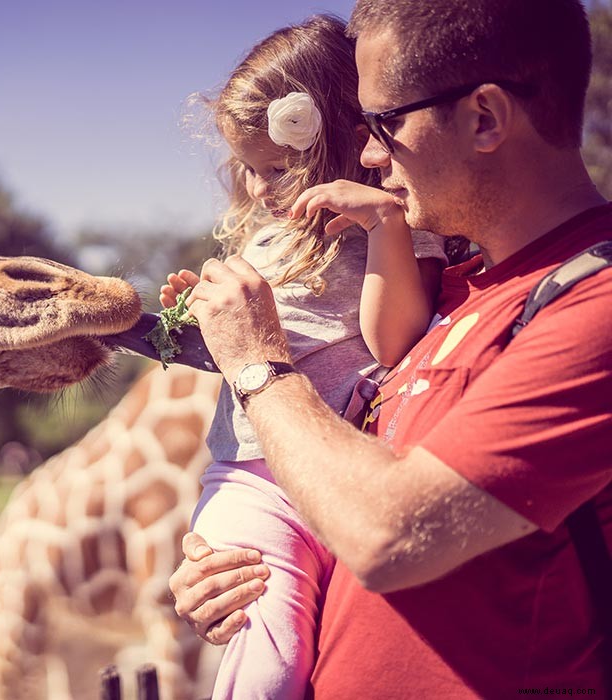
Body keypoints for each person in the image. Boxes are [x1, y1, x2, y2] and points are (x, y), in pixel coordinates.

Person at [168, 0, 612, 696]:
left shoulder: (596, 307)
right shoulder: (456, 291)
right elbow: (343, 495)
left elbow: (387, 537)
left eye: (385, 123)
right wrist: (231, 576)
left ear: (485, 118)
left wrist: (258, 364)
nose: (369, 154)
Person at [158, 15, 447, 699]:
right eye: (250, 172)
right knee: (271, 665)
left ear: (349, 143)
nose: (259, 190)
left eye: (279, 168)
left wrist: (383, 225)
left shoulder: (403, 231)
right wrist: (193, 311)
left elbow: (393, 343)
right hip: (253, 481)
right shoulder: (264, 240)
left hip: (341, 474)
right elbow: (235, 351)